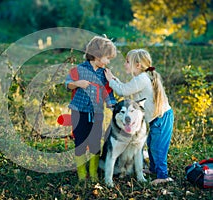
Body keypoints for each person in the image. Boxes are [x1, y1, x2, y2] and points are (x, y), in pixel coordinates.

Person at [104, 48, 174, 185]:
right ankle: (154, 169)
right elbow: (126, 87)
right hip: (158, 118)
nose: (125, 64)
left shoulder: (141, 79)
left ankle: (163, 175)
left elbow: (122, 90)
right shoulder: (141, 78)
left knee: (158, 147)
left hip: (162, 118)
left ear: (137, 65)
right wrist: (113, 79)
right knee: (151, 144)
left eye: (127, 62)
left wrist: (111, 81)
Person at [65, 36, 117, 182]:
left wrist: (113, 106)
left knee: (95, 142)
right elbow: (67, 84)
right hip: (79, 111)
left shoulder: (104, 73)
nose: (108, 62)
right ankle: (82, 174)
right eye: (107, 58)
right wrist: (77, 83)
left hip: (97, 113)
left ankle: (93, 173)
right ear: (97, 55)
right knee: (80, 141)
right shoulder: (79, 69)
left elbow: (108, 92)